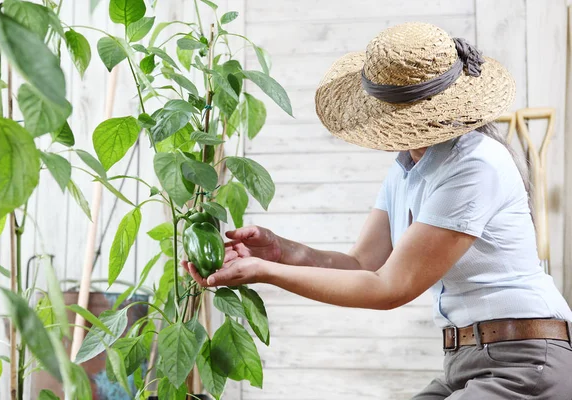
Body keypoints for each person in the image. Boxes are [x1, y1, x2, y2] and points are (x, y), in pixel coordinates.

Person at [183, 22, 572, 399]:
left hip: (526, 360)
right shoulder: (407, 168)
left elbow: (389, 288)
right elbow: (362, 264)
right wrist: (282, 251)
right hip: (466, 361)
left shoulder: (475, 165)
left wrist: (266, 272)